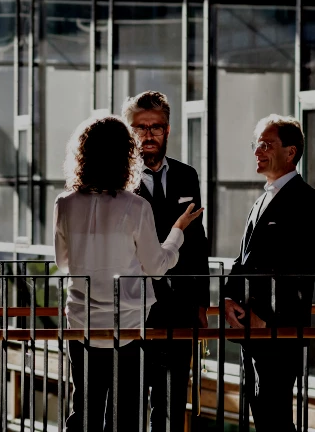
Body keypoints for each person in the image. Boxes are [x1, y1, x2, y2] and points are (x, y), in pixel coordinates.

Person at [54, 115, 204, 432]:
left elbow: (63, 262)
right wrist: (177, 232)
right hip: (128, 324)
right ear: (126, 156)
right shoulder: (135, 206)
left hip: (82, 321)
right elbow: (156, 266)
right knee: (126, 413)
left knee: (84, 408)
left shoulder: (65, 203)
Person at [222, 114, 315, 432]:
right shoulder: (260, 201)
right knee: (263, 414)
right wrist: (228, 297)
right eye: (257, 145)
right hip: (251, 330)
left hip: (278, 331)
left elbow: (298, 269)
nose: (258, 152)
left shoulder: (306, 201)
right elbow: (243, 259)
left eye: (267, 145)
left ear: (291, 152)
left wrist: (268, 320)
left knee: (275, 417)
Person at [120, 91, 210, 432]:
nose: (148, 134)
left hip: (181, 306)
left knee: (172, 403)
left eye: (155, 126)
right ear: (130, 132)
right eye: (140, 127)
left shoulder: (188, 176)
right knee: (130, 400)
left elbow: (198, 241)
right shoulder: (120, 183)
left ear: (168, 130)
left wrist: (202, 302)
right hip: (135, 304)